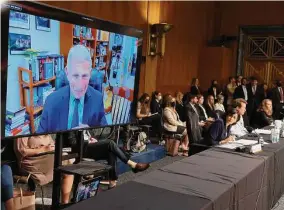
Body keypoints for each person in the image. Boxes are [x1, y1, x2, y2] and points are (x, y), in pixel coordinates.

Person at [38, 45, 107, 133]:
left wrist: (91, 133)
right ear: (67, 72)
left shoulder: (97, 99)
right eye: (75, 75)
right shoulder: (51, 101)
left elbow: (104, 134)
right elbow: (39, 140)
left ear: (90, 73)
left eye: (85, 76)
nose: (80, 85)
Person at [71, 130, 150, 188]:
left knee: (111, 151)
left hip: (91, 146)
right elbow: (72, 142)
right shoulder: (72, 123)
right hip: (82, 148)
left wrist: (92, 139)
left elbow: (92, 135)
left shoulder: (86, 123)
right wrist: (87, 141)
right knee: (110, 143)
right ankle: (132, 164)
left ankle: (112, 181)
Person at [14, 135, 74, 204]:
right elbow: (21, 150)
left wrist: (51, 148)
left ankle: (65, 203)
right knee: (62, 161)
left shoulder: (43, 128)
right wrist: (42, 149)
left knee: (67, 165)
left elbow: (52, 144)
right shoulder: (23, 129)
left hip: (47, 156)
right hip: (32, 161)